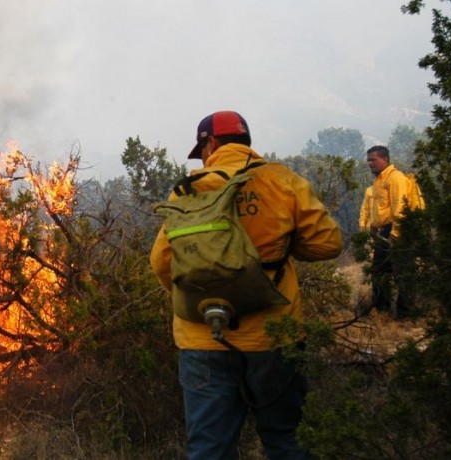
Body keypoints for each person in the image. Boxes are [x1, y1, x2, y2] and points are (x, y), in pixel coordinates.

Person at [150, 110, 343, 460]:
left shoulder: (188, 192)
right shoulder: (283, 181)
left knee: (209, 447)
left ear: (212, 143)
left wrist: (198, 298)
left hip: (203, 336)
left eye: (203, 149)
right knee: (286, 438)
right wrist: (282, 248)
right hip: (274, 335)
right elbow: (328, 244)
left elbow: (161, 262)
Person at [357, 145, 415, 319]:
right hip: (383, 231)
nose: (370, 164)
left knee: (403, 273)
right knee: (379, 272)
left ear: (384, 159)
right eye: (368, 160)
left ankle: (406, 315)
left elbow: (400, 206)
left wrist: (396, 232)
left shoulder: (395, 178)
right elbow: (377, 207)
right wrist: (373, 226)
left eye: (373, 160)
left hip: (397, 230)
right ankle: (382, 311)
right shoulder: (379, 181)